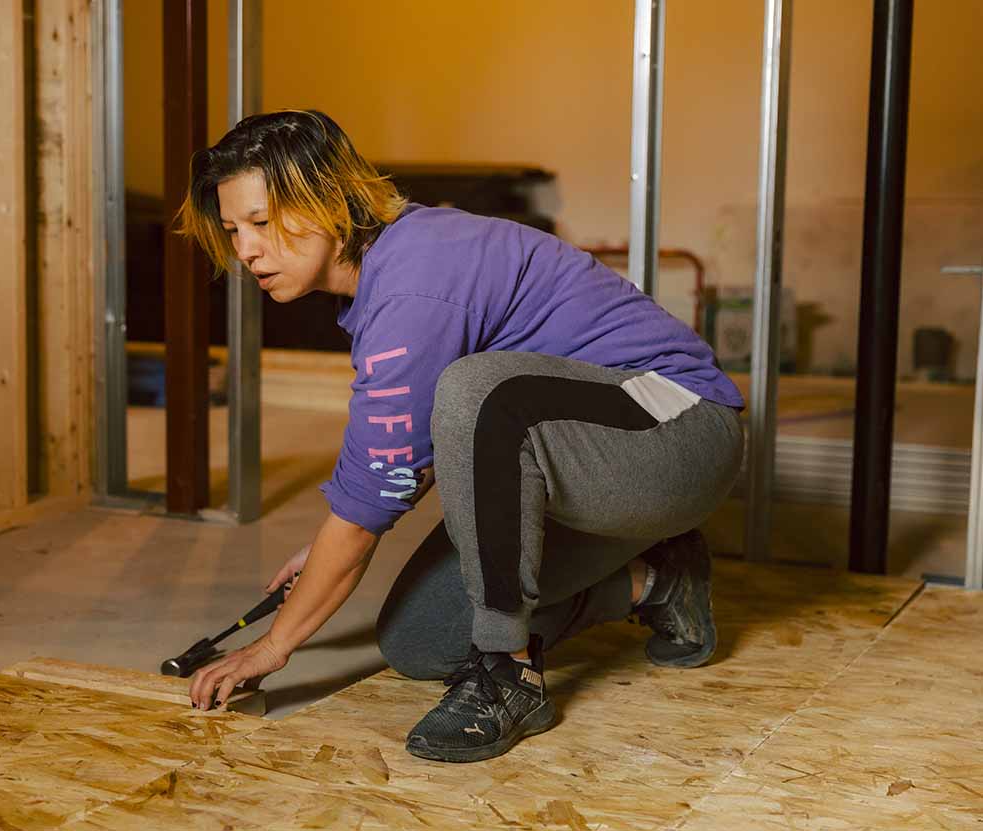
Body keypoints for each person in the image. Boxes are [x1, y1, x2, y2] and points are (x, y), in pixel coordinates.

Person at [179, 110, 744, 763]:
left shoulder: (416, 281)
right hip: (575, 452)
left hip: (680, 432)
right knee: (420, 642)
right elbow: (394, 464)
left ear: (328, 200)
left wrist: (275, 643)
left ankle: (509, 676)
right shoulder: (384, 276)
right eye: (231, 230)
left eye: (261, 222)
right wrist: (323, 545)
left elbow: (371, 506)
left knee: (474, 389)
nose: (245, 249)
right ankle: (659, 580)